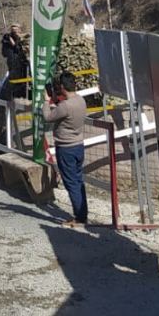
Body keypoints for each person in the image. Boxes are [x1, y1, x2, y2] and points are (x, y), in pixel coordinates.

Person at [43, 71, 89, 228]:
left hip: (66, 148)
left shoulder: (65, 106)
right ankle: (83, 212)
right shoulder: (81, 101)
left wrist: (46, 101)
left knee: (71, 183)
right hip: (78, 145)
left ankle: (80, 217)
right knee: (78, 180)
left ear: (62, 87)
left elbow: (47, 117)